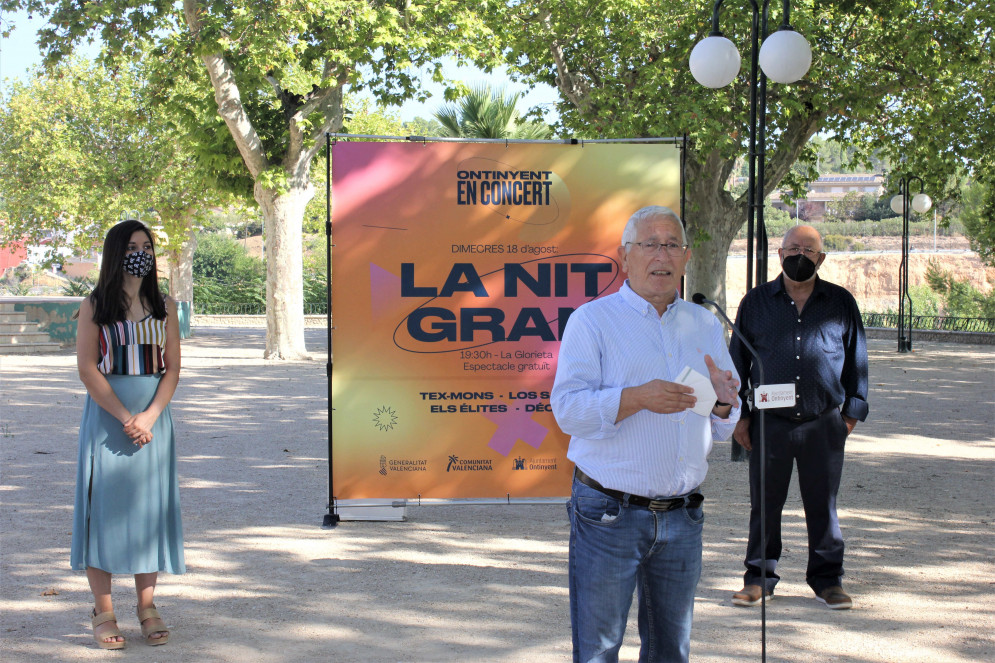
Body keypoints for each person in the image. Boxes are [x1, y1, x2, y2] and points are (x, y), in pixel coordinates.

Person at [551, 206, 741, 663]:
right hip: (609, 514)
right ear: (625, 256)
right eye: (650, 244)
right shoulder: (592, 321)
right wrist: (635, 398)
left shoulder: (704, 324)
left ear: (687, 256)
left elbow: (721, 426)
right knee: (598, 650)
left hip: (683, 517)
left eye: (672, 244)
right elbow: (568, 411)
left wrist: (723, 402)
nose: (662, 255)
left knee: (671, 651)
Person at [728, 224, 868, 611]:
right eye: (792, 248)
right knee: (764, 504)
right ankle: (759, 578)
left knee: (823, 505)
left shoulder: (840, 302)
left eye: (808, 250)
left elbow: (857, 362)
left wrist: (849, 416)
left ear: (821, 258)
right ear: (779, 253)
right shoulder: (755, 303)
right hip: (768, 422)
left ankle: (827, 580)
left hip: (824, 422)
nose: (799, 255)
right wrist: (740, 416)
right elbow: (735, 365)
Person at [71, 219, 184, 649]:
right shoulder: (94, 304)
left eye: (147, 245)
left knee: (147, 510)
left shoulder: (165, 306)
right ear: (115, 252)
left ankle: (147, 606)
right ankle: (104, 610)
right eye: (133, 245)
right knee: (102, 510)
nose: (142, 252)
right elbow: (86, 368)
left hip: (154, 421)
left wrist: (151, 415)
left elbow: (171, 368)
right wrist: (125, 416)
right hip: (107, 418)